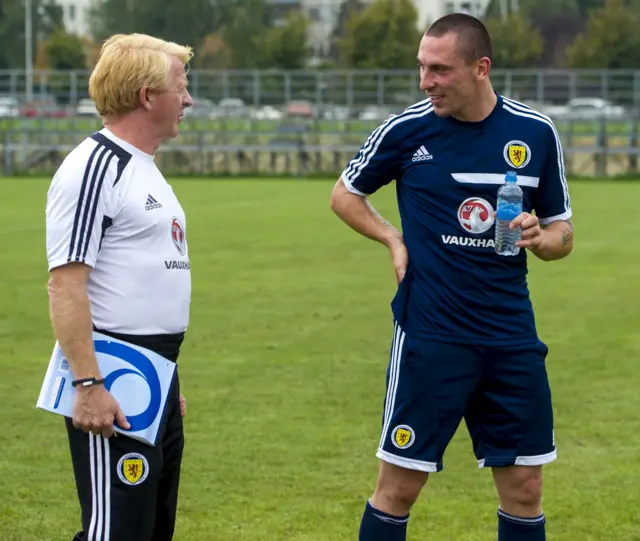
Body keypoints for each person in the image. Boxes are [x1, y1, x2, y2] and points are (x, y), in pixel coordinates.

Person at [330, 13, 573, 541]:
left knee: (526, 487)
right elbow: (344, 194)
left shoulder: (534, 133)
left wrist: (540, 237)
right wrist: (393, 238)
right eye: (422, 67)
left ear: (480, 68)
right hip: (431, 336)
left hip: (511, 337)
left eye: (439, 69)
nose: (426, 81)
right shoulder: (407, 129)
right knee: (398, 487)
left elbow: (563, 235)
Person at [45, 33, 194, 541]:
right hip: (114, 374)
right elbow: (65, 285)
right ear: (148, 95)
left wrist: (169, 377)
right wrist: (88, 385)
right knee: (116, 531)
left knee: (151, 527)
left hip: (156, 371)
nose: (188, 99)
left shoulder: (144, 169)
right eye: (182, 85)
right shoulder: (95, 167)